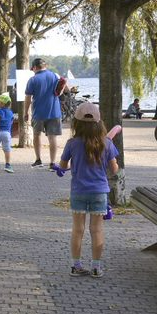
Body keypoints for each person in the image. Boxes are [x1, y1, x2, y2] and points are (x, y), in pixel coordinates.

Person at [58, 102, 119, 278]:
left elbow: (63, 165)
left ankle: (76, 266)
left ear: (76, 123)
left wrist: (65, 168)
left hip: (78, 191)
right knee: (97, 230)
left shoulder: (72, 143)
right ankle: (96, 267)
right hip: (99, 192)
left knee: (78, 230)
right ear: (99, 123)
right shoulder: (107, 143)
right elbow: (114, 170)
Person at [23, 57, 62, 167]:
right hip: (54, 112)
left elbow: (28, 98)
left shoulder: (33, 80)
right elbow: (62, 89)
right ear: (45, 66)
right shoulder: (54, 76)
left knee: (37, 135)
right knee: (52, 137)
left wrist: (26, 112)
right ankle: (53, 162)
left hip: (38, 112)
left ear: (35, 67)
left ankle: (38, 160)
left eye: (33, 69)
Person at [0, 92, 15, 173]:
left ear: (2, 104)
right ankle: (8, 165)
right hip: (7, 133)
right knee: (7, 149)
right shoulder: (11, 112)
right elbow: (11, 121)